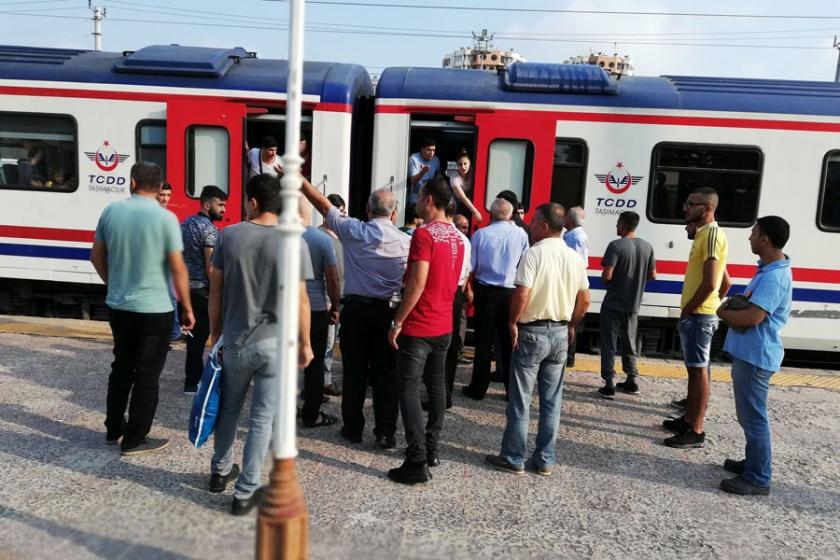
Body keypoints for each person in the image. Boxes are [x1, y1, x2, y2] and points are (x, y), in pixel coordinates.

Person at [207, 174, 314, 516]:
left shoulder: (229, 236)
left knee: (228, 409)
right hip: (276, 345)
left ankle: (220, 470)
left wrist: (213, 334)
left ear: (253, 202)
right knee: (262, 420)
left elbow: (216, 292)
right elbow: (301, 300)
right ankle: (244, 492)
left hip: (237, 341)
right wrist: (306, 344)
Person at [89, 162, 195, 456]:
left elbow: (96, 256)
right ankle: (135, 438)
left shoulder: (111, 211)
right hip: (155, 309)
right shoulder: (166, 219)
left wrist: (114, 283)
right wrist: (187, 307)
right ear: (160, 187)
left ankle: (113, 428)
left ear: (132, 182)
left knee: (121, 365)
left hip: (119, 306)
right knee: (147, 373)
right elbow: (177, 268)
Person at [300, 178, 411, 448]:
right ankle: (385, 431)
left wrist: (301, 181)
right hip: (389, 313)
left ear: (367, 209)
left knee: (354, 373)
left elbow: (324, 205)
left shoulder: (353, 230)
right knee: (386, 375)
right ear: (394, 214)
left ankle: (353, 428)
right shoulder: (407, 242)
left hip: (356, 312)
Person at [484, 203, 590, 476]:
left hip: (532, 333)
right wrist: (571, 324)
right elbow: (585, 300)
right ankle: (544, 460)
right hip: (559, 334)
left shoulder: (533, 254)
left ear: (544, 226)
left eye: (533, 222)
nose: (528, 225)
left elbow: (522, 294)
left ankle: (513, 457)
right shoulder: (575, 258)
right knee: (552, 401)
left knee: (521, 400)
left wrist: (512, 322)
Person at [386, 176, 465, 484]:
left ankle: (416, 459)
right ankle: (432, 449)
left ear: (429, 200)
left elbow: (417, 282)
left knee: (406, 388)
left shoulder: (423, 234)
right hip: (444, 325)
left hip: (420, 325)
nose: (416, 202)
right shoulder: (458, 237)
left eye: (419, 196)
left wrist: (398, 321)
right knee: (436, 388)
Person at [716, 216, 792, 496]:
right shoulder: (767, 270)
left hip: (756, 357)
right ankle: (753, 463)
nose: (749, 237)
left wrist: (723, 313)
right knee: (748, 415)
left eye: (753, 232)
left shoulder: (774, 276)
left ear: (765, 239)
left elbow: (754, 316)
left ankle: (758, 477)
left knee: (754, 417)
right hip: (751, 354)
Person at [663, 187, 729, 449]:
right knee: (694, 371)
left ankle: (696, 430)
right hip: (701, 314)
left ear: (708, 208)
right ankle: (688, 418)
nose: (685, 208)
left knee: (699, 371)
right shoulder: (705, 235)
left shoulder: (711, 234)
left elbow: (712, 282)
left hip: (700, 316)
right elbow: (725, 281)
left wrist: (690, 309)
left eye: (691, 204)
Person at [462, 198, 529, 401]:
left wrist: (470, 291)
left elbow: (470, 267)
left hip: (486, 293)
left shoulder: (481, 235)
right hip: (510, 293)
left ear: (491, 214)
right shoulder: (521, 234)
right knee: (510, 342)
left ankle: (478, 388)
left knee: (483, 342)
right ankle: (511, 390)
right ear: (511, 215)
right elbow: (525, 264)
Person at [597, 211, 656, 399]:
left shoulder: (615, 246)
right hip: (633, 304)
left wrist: (609, 281)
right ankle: (631, 380)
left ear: (623, 225)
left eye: (617, 224)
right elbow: (653, 275)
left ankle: (609, 384)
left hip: (613, 303)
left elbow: (607, 275)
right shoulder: (647, 247)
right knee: (630, 343)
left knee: (609, 343)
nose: (616, 227)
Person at [180, 185, 227, 394]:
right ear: (207, 205)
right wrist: (220, 290)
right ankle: (207, 380)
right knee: (212, 335)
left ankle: (191, 380)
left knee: (194, 339)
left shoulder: (186, 224)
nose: (224, 210)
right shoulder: (208, 229)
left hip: (187, 289)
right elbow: (210, 266)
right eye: (220, 205)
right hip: (203, 290)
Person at [300, 198, 341, 428]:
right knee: (314, 363)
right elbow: (332, 279)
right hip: (315, 308)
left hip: (286, 309)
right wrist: (335, 306)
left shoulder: (277, 236)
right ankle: (311, 413)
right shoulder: (322, 240)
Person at [320, 193, 346, 397]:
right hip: (328, 298)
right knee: (327, 342)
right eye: (340, 212)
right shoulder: (320, 236)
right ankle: (324, 381)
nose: (343, 216)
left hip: (343, 295)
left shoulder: (342, 235)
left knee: (334, 341)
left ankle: (323, 378)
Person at [563, 206, 589, 368]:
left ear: (571, 220)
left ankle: (569, 356)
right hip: (571, 284)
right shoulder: (573, 235)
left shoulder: (576, 238)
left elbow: (578, 264)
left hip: (571, 285)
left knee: (569, 321)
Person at [449, 152, 482, 225]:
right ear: (457, 166)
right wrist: (475, 212)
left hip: (470, 200)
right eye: (460, 164)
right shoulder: (454, 178)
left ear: (469, 163)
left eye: (465, 163)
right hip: (457, 203)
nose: (463, 167)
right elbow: (463, 198)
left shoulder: (474, 172)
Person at [407, 138, 440, 206]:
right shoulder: (414, 158)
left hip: (429, 200)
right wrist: (423, 172)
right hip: (415, 201)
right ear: (422, 149)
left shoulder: (436, 160)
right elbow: (412, 181)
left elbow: (438, 178)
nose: (431, 153)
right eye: (428, 150)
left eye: (433, 150)